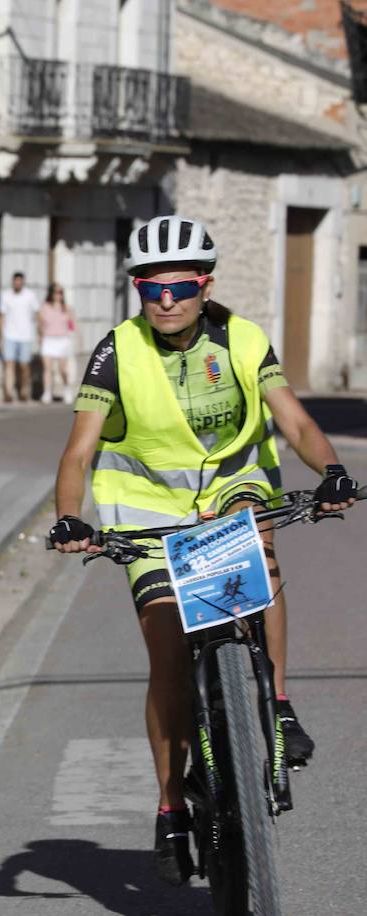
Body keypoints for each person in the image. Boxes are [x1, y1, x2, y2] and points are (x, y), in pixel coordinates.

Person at [47, 215, 358, 887]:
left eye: (180, 287)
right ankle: (169, 805)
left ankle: (274, 703)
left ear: (204, 284)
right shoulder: (116, 351)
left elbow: (295, 420)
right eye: (150, 287)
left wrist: (331, 470)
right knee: (165, 648)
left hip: (230, 483)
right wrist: (69, 518)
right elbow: (77, 453)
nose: (165, 301)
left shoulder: (243, 338)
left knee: (258, 541)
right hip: (148, 506)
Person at [0, 271, 40, 402]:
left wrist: (39, 332)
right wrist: (0, 337)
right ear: (12, 282)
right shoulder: (6, 296)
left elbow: (37, 313)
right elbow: (2, 316)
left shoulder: (30, 296)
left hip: (25, 336)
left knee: (24, 366)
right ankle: (8, 392)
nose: (17, 283)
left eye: (19, 281)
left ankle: (24, 390)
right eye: (15, 281)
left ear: (22, 282)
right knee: (9, 363)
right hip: (9, 335)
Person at [38, 282, 77, 403]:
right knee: (48, 368)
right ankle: (47, 392)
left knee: (62, 369)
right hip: (48, 340)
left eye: (60, 292)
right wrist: (40, 337)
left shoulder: (66, 308)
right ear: (51, 293)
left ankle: (67, 389)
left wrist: (74, 339)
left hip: (62, 340)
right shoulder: (45, 307)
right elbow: (40, 324)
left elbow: (73, 325)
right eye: (56, 292)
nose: (58, 295)